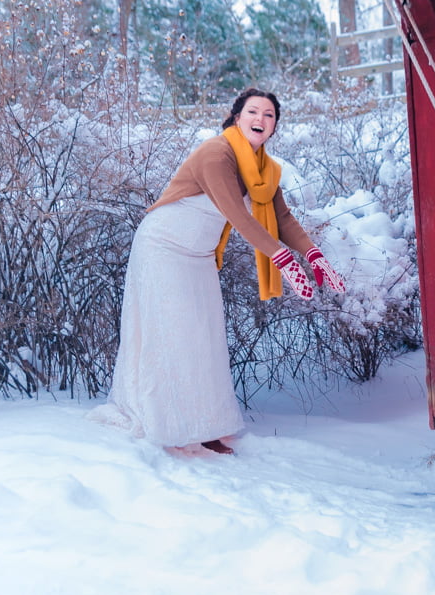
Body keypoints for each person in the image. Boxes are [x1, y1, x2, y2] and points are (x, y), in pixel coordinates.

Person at [90, 88, 346, 455]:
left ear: (274, 126)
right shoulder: (216, 154)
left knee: (206, 339)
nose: (261, 119)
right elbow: (236, 214)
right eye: (253, 111)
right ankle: (170, 425)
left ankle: (206, 426)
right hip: (164, 247)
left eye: (269, 115)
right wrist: (284, 260)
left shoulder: (264, 169)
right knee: (175, 335)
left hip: (199, 256)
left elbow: (282, 218)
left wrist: (313, 255)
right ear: (237, 117)